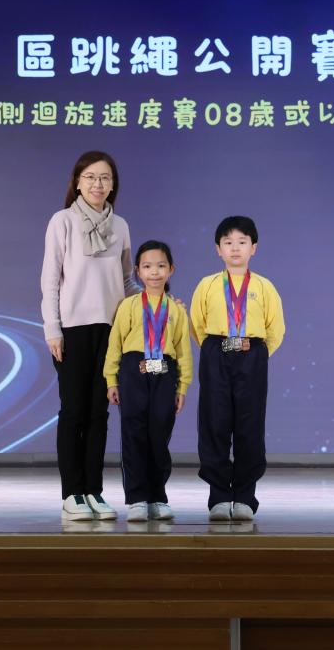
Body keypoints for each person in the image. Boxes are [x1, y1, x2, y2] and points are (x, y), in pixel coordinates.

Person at [41, 150, 140, 521]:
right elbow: (50, 281)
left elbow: (127, 281)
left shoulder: (121, 226)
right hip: (72, 330)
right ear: (77, 182)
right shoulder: (63, 221)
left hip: (111, 330)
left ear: (113, 185)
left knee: (99, 413)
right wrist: (53, 328)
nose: (98, 184)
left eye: (105, 178)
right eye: (91, 177)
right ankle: (72, 493)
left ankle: (94, 491)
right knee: (74, 412)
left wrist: (156, 301)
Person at [189, 216, 285, 522]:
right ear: (218, 249)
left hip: (251, 355)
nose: (235, 248)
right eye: (228, 242)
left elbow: (276, 329)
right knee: (214, 421)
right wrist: (214, 349)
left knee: (249, 424)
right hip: (216, 353)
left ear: (253, 248)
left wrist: (257, 354)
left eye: (242, 242)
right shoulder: (207, 285)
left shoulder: (264, 287)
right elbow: (197, 324)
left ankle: (245, 496)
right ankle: (218, 496)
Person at [104, 240, 193, 522]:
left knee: (159, 434)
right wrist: (111, 380)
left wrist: (182, 386)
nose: (154, 272)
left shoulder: (176, 310)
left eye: (160, 266)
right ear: (138, 272)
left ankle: (157, 497)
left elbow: (183, 351)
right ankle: (137, 498)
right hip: (133, 371)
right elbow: (115, 344)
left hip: (165, 373)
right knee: (133, 433)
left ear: (171, 270)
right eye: (147, 266)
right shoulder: (129, 305)